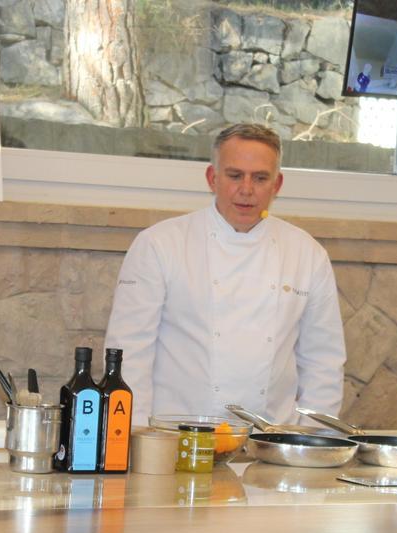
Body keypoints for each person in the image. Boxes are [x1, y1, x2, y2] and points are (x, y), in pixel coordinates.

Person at [104, 123, 346, 427]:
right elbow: (130, 355)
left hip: (268, 445)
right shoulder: (159, 245)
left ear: (277, 184)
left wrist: (309, 446)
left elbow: (323, 363)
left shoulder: (307, 255)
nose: (246, 189)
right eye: (234, 176)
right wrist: (136, 441)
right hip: (175, 440)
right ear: (212, 178)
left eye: (260, 178)